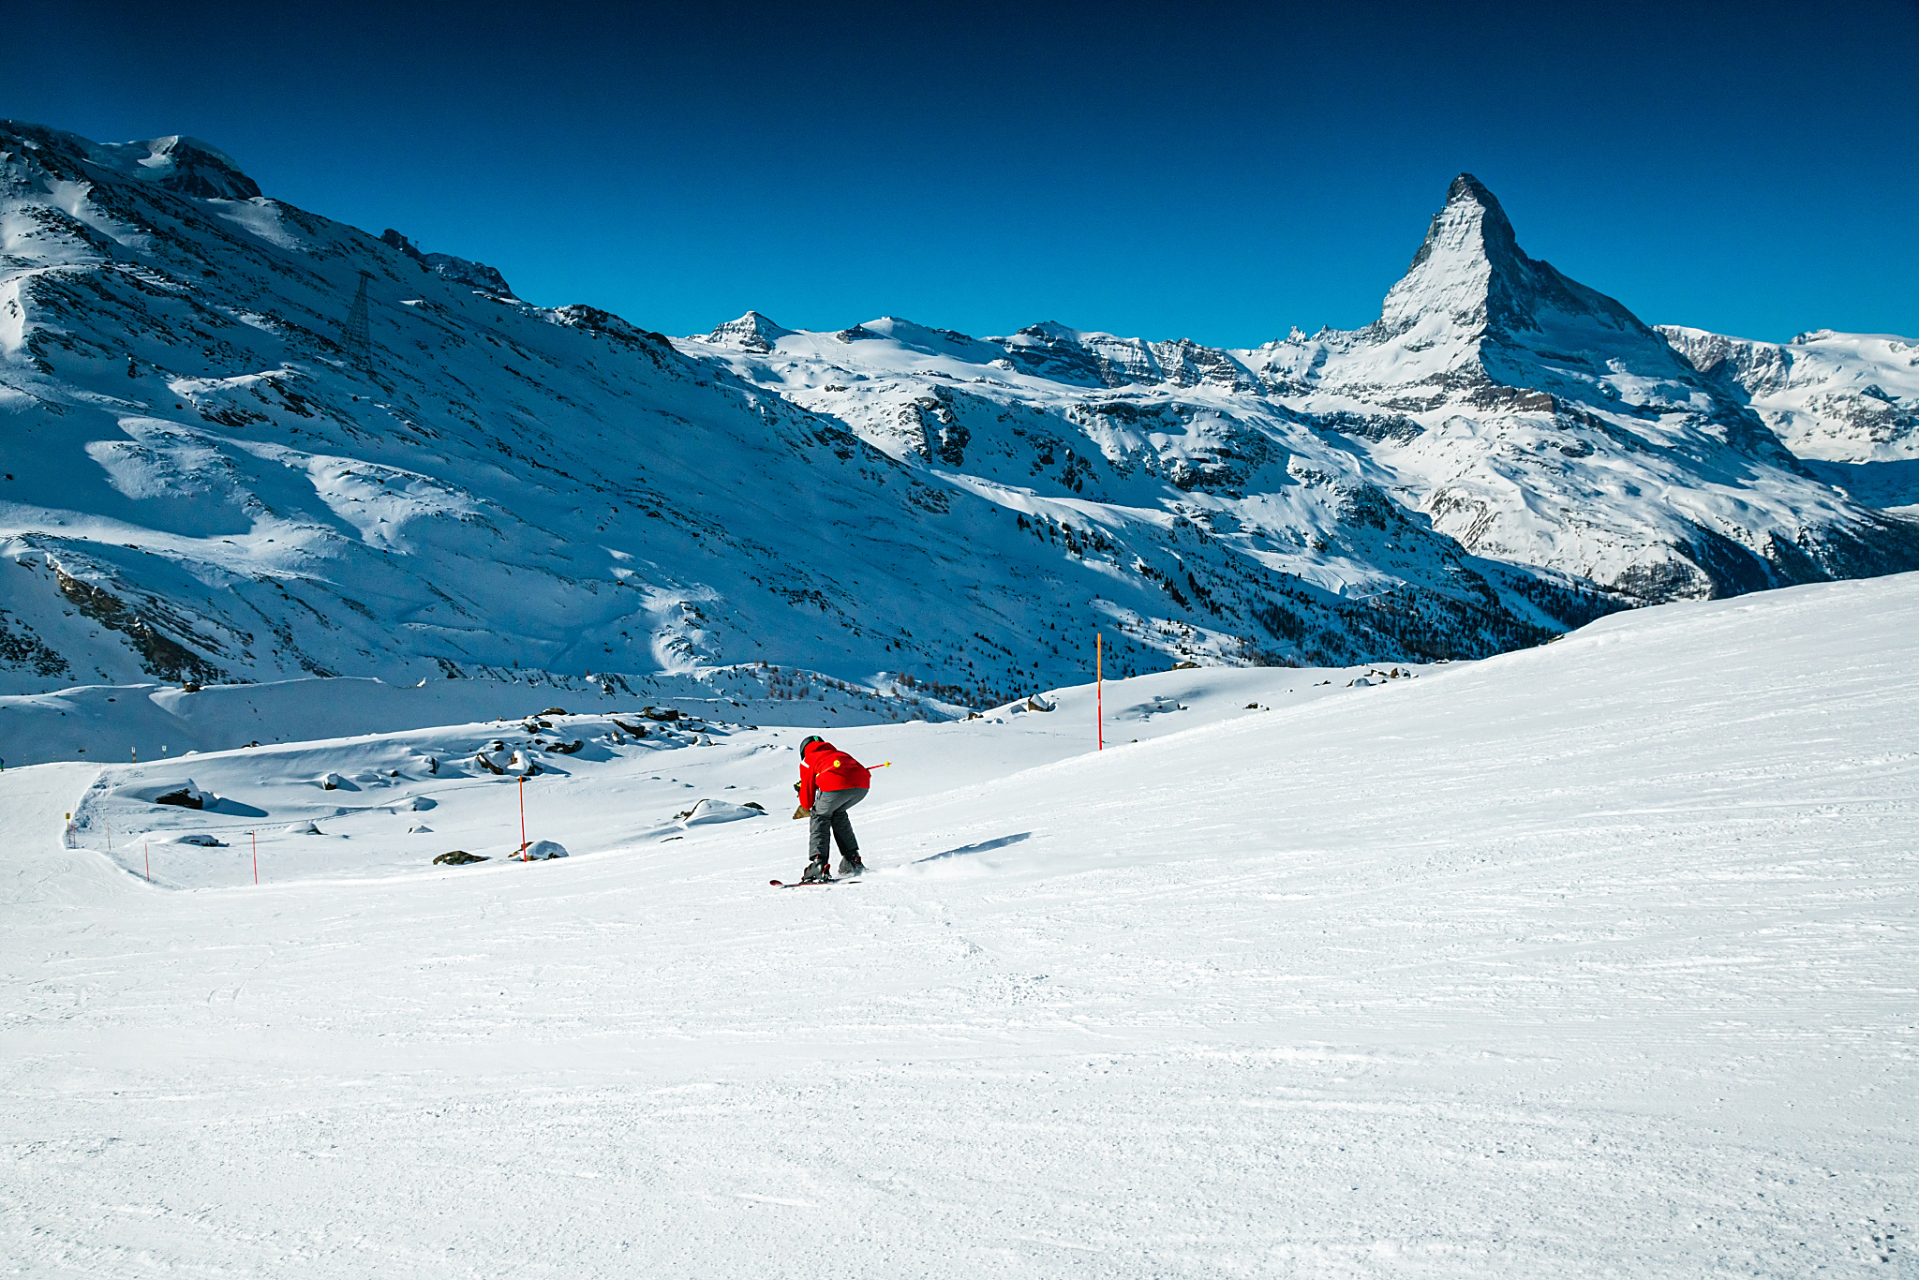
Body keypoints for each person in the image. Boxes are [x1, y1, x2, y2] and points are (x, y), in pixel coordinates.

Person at [794, 734, 870, 882]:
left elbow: (807, 804)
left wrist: (801, 789)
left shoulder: (808, 760)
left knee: (819, 815)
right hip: (862, 786)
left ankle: (818, 865)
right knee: (837, 813)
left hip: (836, 786)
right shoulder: (838, 753)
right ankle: (852, 860)